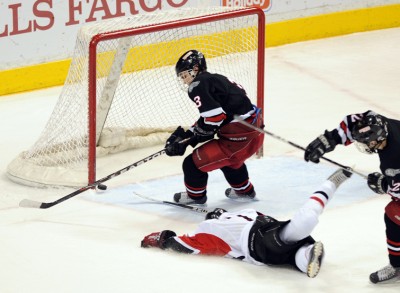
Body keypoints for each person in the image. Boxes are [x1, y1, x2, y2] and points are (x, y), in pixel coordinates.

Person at [141, 168, 352, 278]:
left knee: (293, 252)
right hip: (258, 244)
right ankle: (330, 185)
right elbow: (186, 245)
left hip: (273, 236)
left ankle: (307, 257)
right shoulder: (209, 230)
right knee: (304, 221)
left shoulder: (242, 213)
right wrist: (161, 239)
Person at [304, 110, 400, 283]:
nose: (366, 147)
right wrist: (328, 141)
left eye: (369, 143)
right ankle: (398, 265)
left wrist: (384, 185)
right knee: (393, 217)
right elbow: (353, 124)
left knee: (395, 213)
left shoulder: (396, 152)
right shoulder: (377, 123)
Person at [164, 50, 264, 205]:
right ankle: (245, 191)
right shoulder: (216, 79)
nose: (185, 81)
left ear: (195, 69)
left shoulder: (197, 85)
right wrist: (189, 134)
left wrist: (190, 139)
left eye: (185, 75)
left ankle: (195, 197)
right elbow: (215, 117)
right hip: (254, 134)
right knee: (231, 162)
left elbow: (214, 119)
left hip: (237, 141)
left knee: (191, 164)